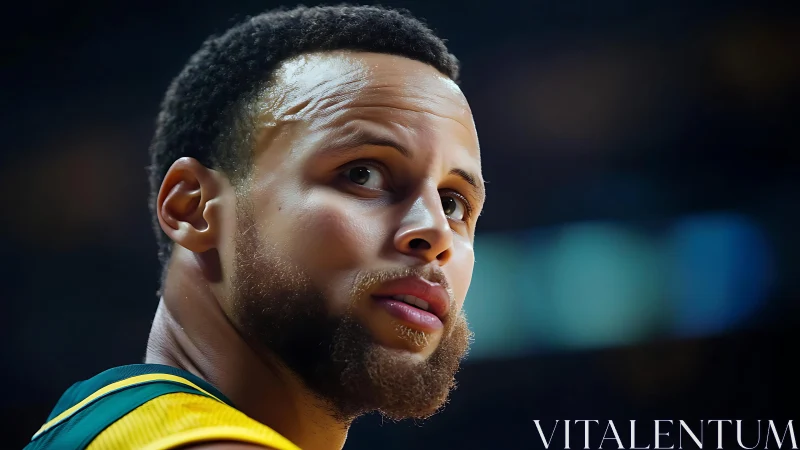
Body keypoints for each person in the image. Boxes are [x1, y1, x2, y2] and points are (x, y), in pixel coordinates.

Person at [26, 4, 485, 449]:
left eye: (453, 203)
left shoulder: (108, 420)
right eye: (362, 174)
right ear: (194, 209)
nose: (436, 233)